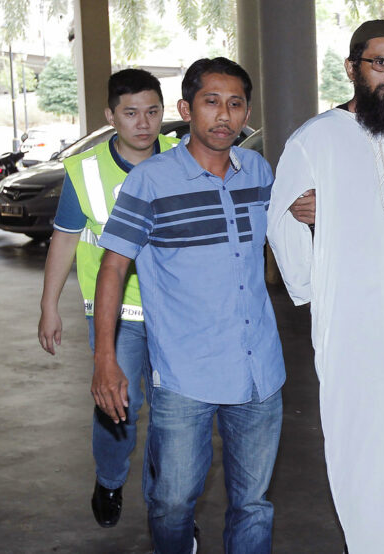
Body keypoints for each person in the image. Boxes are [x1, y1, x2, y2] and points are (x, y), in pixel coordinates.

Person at [268, 20, 384, 554]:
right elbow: (280, 219)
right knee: (359, 433)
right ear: (351, 68)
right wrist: (310, 281)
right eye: (379, 63)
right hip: (351, 313)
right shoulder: (314, 138)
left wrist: (337, 210)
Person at [93, 57, 285, 554]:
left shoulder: (258, 172)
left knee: (254, 504)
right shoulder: (151, 182)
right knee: (173, 503)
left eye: (236, 104)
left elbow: (287, 237)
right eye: (211, 102)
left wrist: (306, 213)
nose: (224, 115)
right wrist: (105, 359)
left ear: (246, 113)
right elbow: (112, 267)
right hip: (184, 376)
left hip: (258, 371)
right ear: (187, 109)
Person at [37, 69, 179, 528]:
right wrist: (48, 307)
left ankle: (169, 508)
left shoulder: (184, 159)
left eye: (153, 112)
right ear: (110, 116)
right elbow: (63, 239)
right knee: (118, 404)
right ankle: (111, 478)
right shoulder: (86, 170)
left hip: (175, 311)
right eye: (131, 113)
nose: (144, 123)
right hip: (116, 313)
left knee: (174, 413)